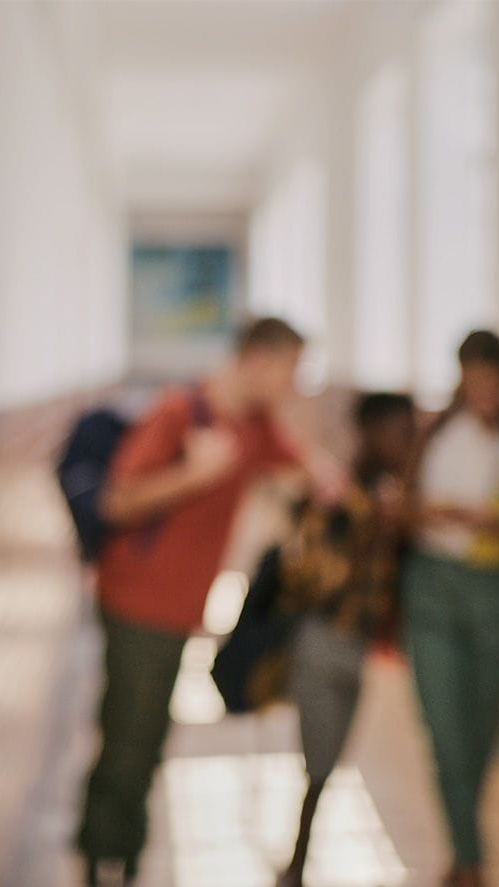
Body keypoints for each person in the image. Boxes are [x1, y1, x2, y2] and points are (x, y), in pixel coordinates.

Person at [78, 317, 314, 886]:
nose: (294, 385)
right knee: (131, 736)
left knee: (147, 733)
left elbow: (302, 465)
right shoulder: (179, 412)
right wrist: (194, 472)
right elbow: (115, 502)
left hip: (181, 606)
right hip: (138, 600)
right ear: (257, 360)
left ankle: (118, 849)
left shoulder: (255, 422)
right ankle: (105, 857)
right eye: (289, 370)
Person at [276, 392, 417, 887]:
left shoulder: (391, 495)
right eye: (399, 433)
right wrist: (367, 521)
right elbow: (314, 574)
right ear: (370, 435)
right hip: (323, 640)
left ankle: (298, 861)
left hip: (354, 646)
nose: (407, 443)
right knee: (318, 763)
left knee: (329, 761)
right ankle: (296, 864)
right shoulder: (343, 497)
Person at [402, 330, 499, 887]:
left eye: (492, 380)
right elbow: (404, 506)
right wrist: (422, 513)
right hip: (431, 587)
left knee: (481, 732)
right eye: (473, 379)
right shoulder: (437, 433)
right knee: (443, 728)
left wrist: (490, 523)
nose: (482, 391)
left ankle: (466, 850)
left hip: (494, 591)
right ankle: (469, 857)